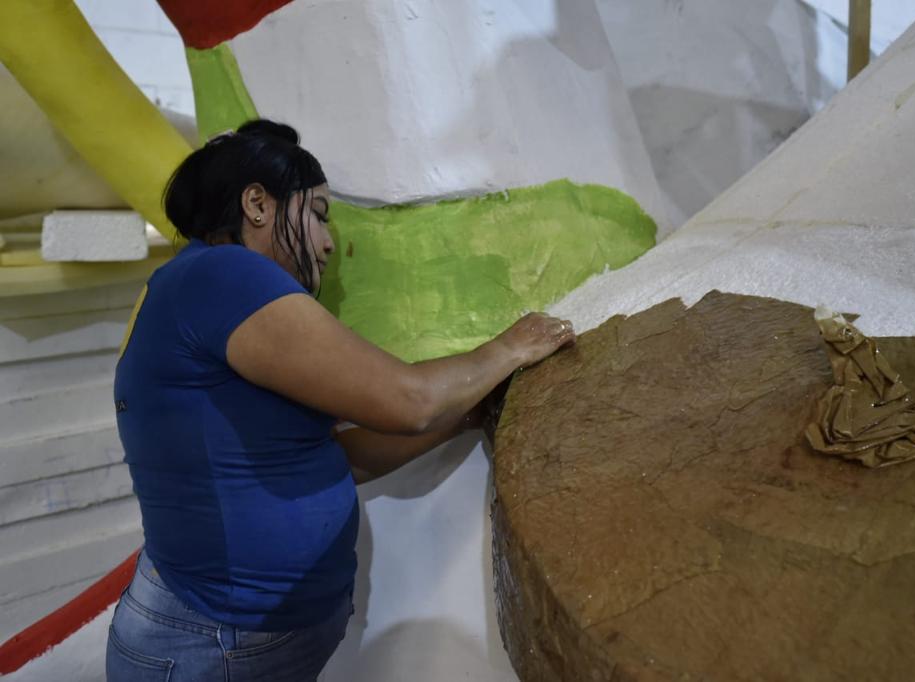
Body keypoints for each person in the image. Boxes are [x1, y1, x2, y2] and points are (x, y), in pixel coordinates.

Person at [106, 119, 575, 681]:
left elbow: (338, 456)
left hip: (223, 639)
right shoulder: (223, 275)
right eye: (319, 214)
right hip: (210, 645)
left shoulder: (200, 288)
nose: (329, 243)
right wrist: (511, 346)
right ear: (257, 204)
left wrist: (467, 413)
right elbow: (409, 400)